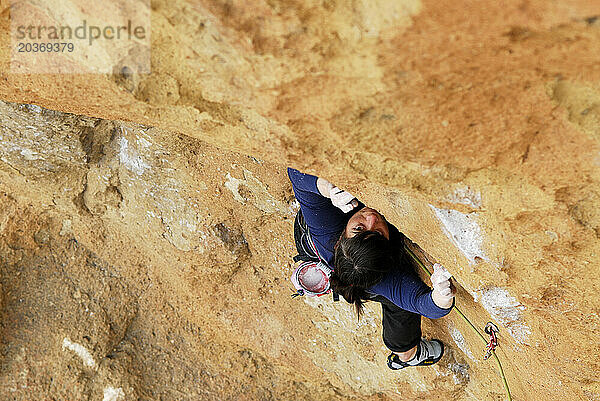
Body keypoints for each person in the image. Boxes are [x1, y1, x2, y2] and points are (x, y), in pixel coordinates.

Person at [287, 167, 455, 370]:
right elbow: (427, 305)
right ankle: (407, 355)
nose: (372, 218)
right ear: (389, 253)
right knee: (400, 307)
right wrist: (442, 292)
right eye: (378, 232)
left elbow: (296, 175)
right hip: (370, 278)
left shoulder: (327, 232)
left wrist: (327, 188)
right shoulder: (386, 280)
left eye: (358, 228)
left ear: (341, 238)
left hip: (317, 242)